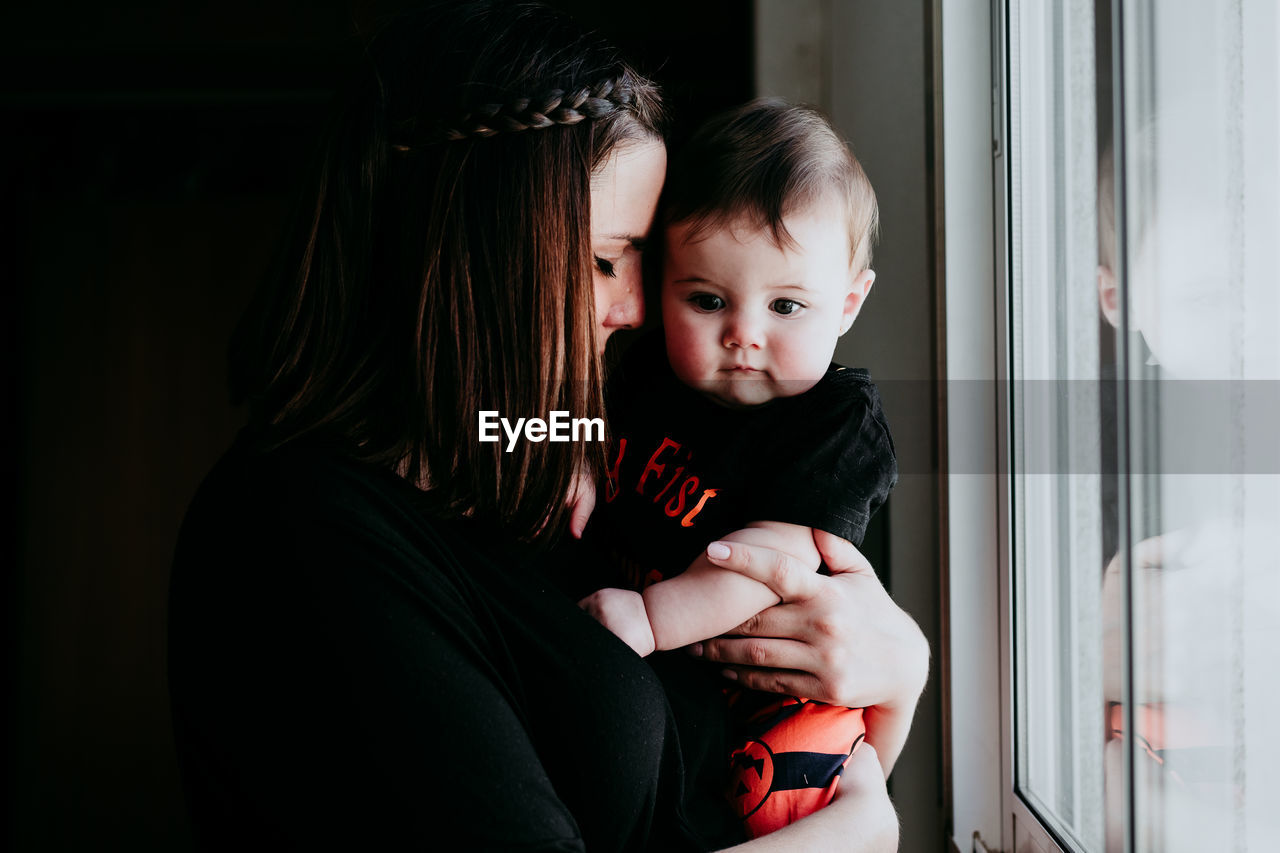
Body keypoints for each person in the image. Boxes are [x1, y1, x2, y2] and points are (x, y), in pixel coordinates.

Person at [167, 2, 927, 850]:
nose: (638, 309)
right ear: (476, 253)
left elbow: (716, 766)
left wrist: (897, 679)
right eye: (607, 258)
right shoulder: (299, 534)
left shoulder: (523, 477)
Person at [574, 99, 897, 838]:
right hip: (654, 671)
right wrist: (570, 454)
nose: (743, 336)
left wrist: (653, 618)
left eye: (787, 305)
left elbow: (765, 563)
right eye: (709, 300)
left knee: (790, 791)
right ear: (663, 286)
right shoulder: (644, 368)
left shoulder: (835, 424)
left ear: (847, 304)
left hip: (765, 692)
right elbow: (581, 418)